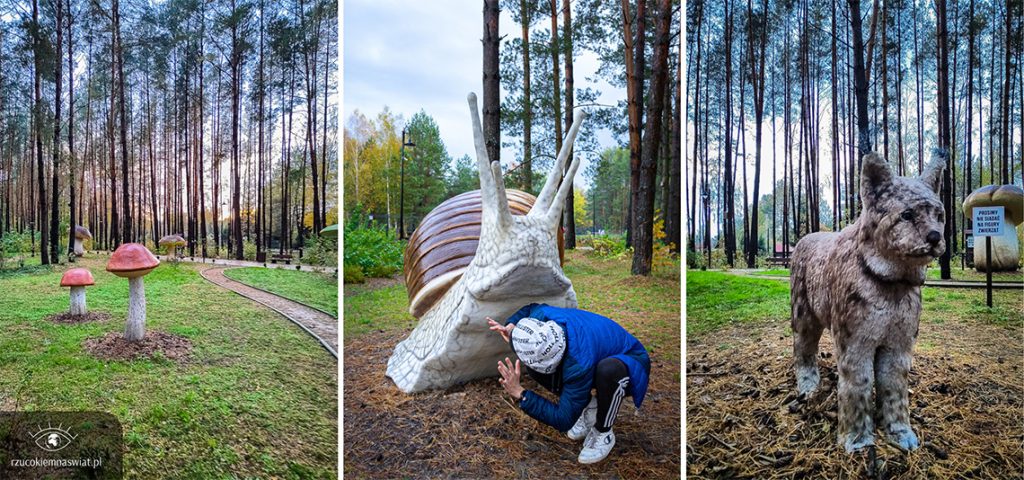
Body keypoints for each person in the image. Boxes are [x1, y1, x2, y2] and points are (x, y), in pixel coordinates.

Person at [487, 303, 651, 464]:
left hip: (631, 360)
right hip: (591, 351)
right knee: (534, 369)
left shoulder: (578, 365)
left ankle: (603, 431)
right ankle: (589, 406)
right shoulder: (541, 316)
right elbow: (530, 307)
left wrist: (521, 394)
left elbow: (563, 420)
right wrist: (511, 325)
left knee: (608, 371)